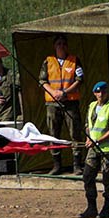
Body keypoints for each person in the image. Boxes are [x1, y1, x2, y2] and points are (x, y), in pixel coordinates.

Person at [38, 34, 84, 175]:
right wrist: (53, 92)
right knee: (53, 135)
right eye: (58, 43)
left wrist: (65, 92)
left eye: (64, 43)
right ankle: (57, 165)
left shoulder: (74, 60)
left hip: (70, 102)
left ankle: (77, 165)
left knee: (75, 133)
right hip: (52, 104)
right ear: (54, 46)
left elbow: (79, 79)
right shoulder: (48, 61)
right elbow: (42, 81)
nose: (61, 46)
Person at [79, 81, 109, 218]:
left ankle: (106, 207)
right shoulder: (91, 106)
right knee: (87, 175)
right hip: (93, 148)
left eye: (103, 91)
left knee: (107, 177)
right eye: (98, 92)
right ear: (94, 93)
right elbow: (88, 125)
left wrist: (97, 141)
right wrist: (88, 138)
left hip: (108, 149)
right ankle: (91, 207)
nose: (100, 94)